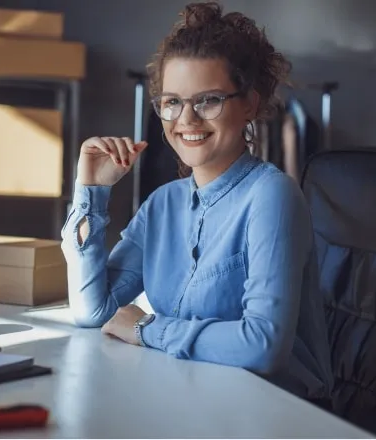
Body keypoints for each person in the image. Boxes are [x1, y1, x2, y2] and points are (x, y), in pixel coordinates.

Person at [61, 1, 334, 402]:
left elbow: (264, 346)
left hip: (275, 410)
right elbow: (92, 311)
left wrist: (148, 329)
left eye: (207, 100)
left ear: (250, 106)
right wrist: (91, 192)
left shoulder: (271, 195)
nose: (185, 120)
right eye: (172, 102)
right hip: (193, 394)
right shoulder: (162, 204)